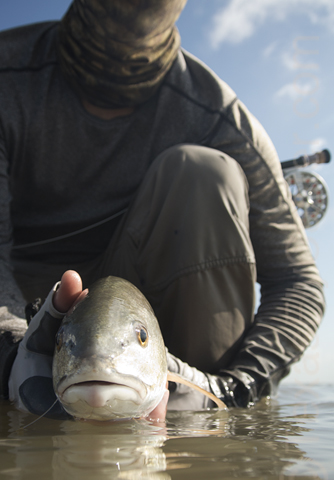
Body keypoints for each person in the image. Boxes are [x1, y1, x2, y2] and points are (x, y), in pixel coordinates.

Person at [0, 0, 325, 419]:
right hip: (21, 303)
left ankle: (197, 417)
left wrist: (239, 385)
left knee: (205, 172)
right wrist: (10, 350)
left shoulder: (221, 120)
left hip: (149, 311)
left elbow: (299, 281)